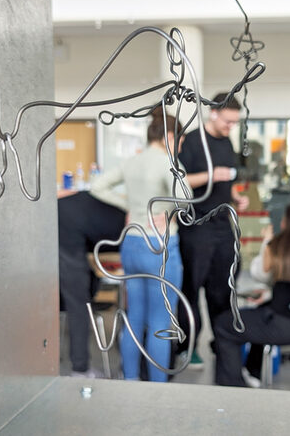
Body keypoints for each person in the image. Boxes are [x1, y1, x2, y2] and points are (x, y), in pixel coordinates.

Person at [90, 110, 187, 382]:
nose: (179, 147)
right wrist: (166, 211)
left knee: (134, 318)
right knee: (159, 322)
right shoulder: (169, 164)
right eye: (179, 141)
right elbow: (187, 199)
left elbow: (98, 186)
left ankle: (130, 382)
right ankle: (157, 388)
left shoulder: (132, 162)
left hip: (131, 242)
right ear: (169, 137)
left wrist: (131, 207)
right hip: (160, 245)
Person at [212, 203, 290, 387]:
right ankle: (253, 372)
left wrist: (266, 242)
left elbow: (259, 274)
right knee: (261, 311)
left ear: (287, 222)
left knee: (225, 324)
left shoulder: (278, 247)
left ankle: (233, 385)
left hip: (281, 327)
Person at [175, 92, 250, 369]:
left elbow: (225, 183)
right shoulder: (192, 142)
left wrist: (234, 196)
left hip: (222, 226)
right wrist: (211, 175)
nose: (231, 127)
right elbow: (180, 183)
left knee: (223, 289)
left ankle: (222, 343)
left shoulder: (227, 142)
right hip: (196, 226)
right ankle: (187, 347)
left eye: (234, 123)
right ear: (213, 113)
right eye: (228, 121)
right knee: (191, 290)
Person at [58, 190, 125, 378]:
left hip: (72, 220)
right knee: (78, 302)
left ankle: (81, 366)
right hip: (69, 229)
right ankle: (80, 369)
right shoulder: (132, 216)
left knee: (80, 297)